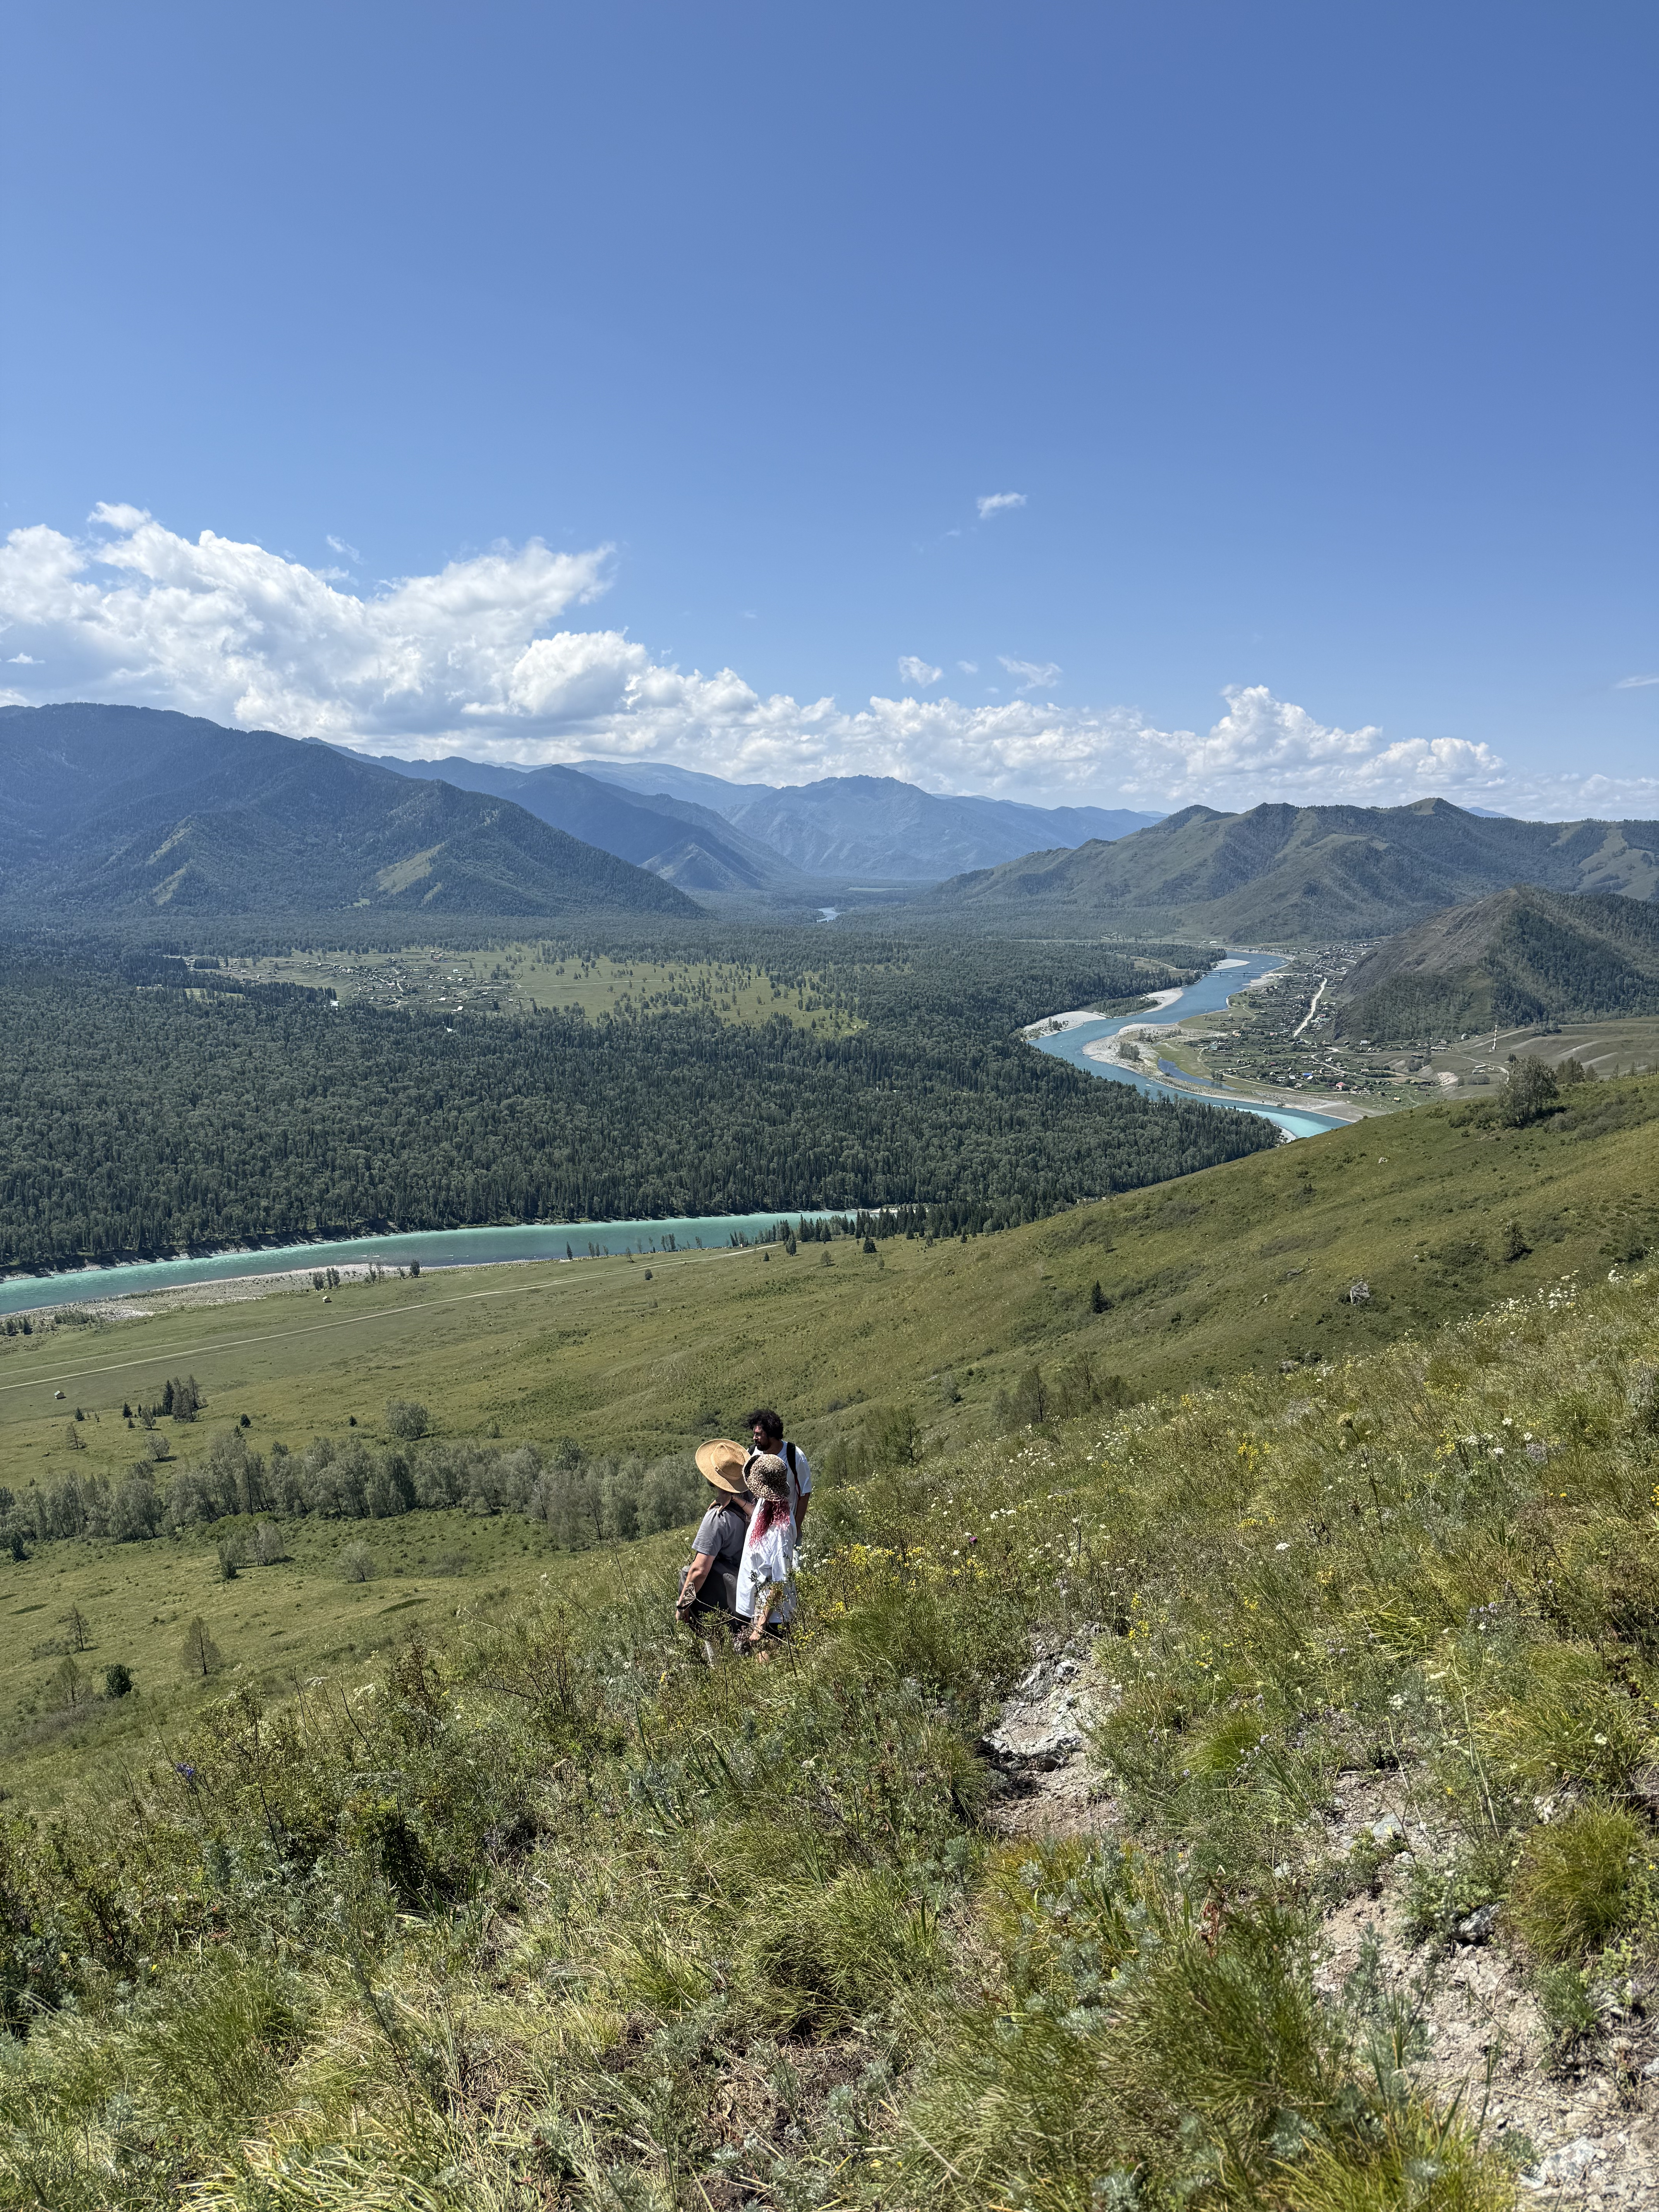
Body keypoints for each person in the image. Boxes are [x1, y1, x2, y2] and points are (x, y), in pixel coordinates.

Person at [675, 1440, 754, 1654]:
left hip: (731, 1595)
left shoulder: (718, 1518)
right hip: (753, 1587)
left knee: (687, 1574)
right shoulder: (756, 1505)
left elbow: (700, 1571)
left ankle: (717, 1658)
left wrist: (683, 1605)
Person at [735, 1451, 798, 1652]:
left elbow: (781, 1581)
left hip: (774, 1615)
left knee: (767, 1665)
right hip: (762, 1605)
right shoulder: (768, 1504)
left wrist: (761, 1625)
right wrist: (734, 1500)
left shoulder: (782, 1530)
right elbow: (757, 1517)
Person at [744, 1407, 812, 1532]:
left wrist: (795, 1529)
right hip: (759, 1529)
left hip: (786, 1527)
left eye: (758, 1434)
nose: (754, 1438)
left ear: (771, 1434)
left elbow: (805, 1493)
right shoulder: (752, 1454)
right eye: (754, 1434)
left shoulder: (795, 1456)